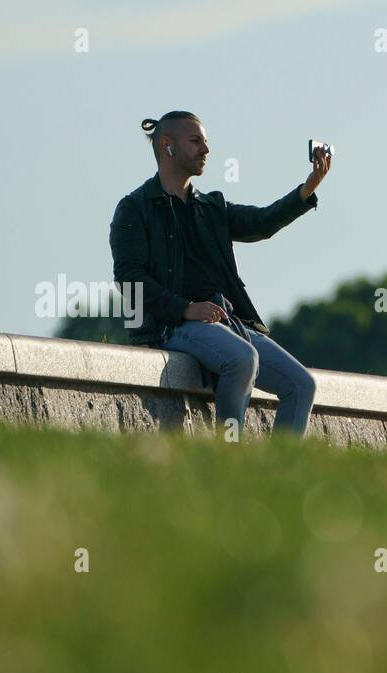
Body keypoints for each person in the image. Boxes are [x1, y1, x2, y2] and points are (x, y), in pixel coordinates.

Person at [109, 111, 330, 437]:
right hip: (170, 326)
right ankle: (230, 455)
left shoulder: (211, 207)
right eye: (196, 141)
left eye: (206, 142)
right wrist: (184, 308)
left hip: (229, 323)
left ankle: (279, 475)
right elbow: (129, 279)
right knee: (243, 358)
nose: (206, 150)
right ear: (168, 146)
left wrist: (306, 190)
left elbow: (262, 223)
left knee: (302, 384)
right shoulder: (134, 207)